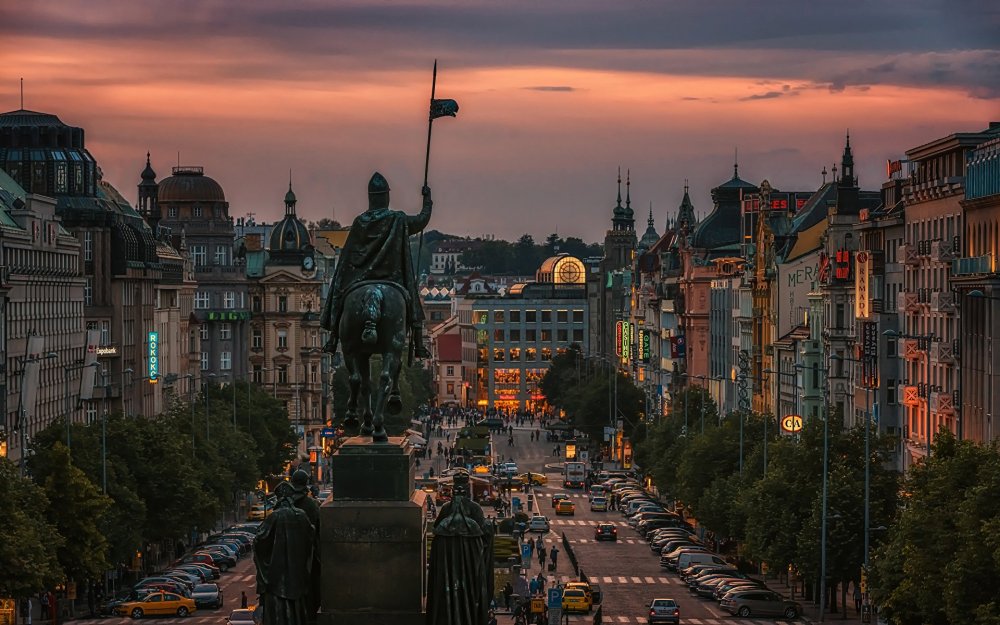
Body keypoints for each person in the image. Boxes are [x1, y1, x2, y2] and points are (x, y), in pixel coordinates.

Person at [320, 173, 433, 359]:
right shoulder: (398, 219)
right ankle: (419, 343)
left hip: (360, 279)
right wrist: (427, 199)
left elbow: (347, 258)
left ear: (370, 197)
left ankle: (333, 337)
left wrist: (341, 282)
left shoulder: (360, 222)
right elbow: (422, 220)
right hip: (391, 279)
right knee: (412, 301)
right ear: (386, 196)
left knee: (340, 296)